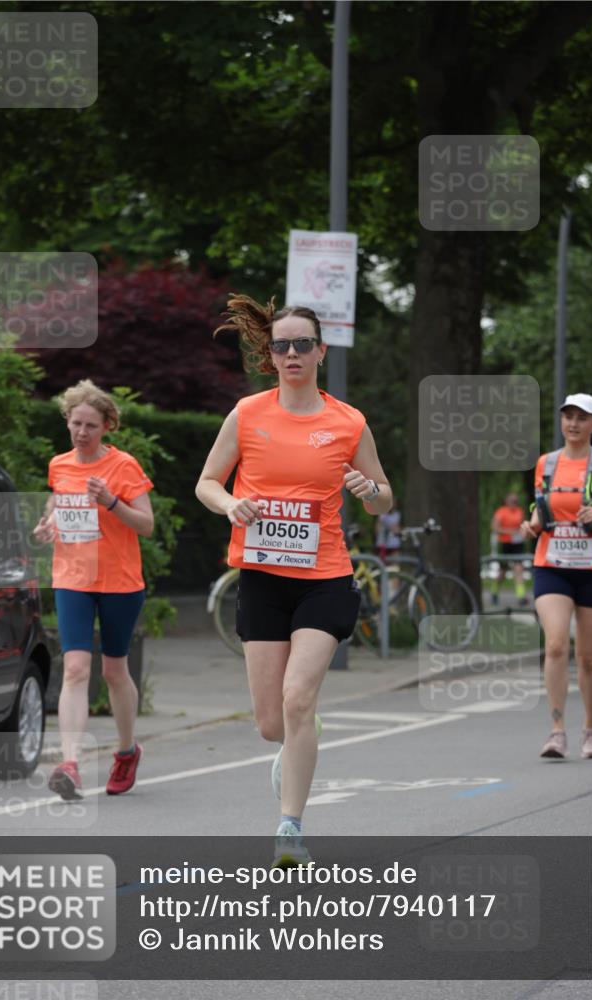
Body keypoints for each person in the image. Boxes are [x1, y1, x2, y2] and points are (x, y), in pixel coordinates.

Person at [195, 295, 392, 865]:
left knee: (298, 697)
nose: (292, 354)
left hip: (324, 578)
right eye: (281, 345)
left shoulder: (348, 421)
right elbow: (207, 480)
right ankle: (297, 734)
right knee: (269, 723)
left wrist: (369, 492)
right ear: (271, 356)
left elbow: (383, 498)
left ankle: (289, 828)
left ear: (320, 351)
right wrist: (230, 504)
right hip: (261, 578)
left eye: (302, 344)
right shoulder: (248, 414)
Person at [34, 380, 154, 800]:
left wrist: (111, 503)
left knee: (114, 671)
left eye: (91, 425)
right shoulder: (60, 464)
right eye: (75, 423)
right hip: (72, 577)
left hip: (120, 581)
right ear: (67, 422)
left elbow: (146, 524)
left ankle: (126, 751)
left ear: (107, 426)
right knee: (75, 668)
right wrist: (49, 524)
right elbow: (57, 502)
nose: (82, 432)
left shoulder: (124, 467)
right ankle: (70, 763)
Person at [520, 393, 592, 760]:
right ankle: (557, 731)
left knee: (588, 656)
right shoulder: (546, 464)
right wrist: (533, 523)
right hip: (552, 564)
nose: (573, 424)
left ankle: (590, 729)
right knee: (556, 644)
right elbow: (540, 506)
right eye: (568, 416)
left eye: (582, 418)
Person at [490, 492, 529, 606]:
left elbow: (522, 526)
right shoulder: (501, 512)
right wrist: (510, 532)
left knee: (518, 569)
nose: (514, 503)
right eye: (512, 501)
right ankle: (494, 592)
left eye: (516, 501)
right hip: (506, 544)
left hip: (517, 545)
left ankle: (521, 597)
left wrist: (522, 533)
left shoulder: (519, 511)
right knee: (503, 571)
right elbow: (494, 528)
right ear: (506, 501)